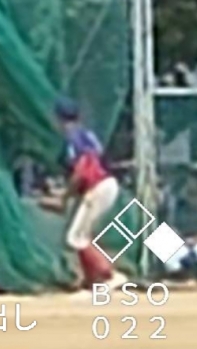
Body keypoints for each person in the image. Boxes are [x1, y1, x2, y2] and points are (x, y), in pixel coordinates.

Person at [39, 98, 127, 290]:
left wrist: (64, 197)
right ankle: (92, 280)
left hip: (98, 187)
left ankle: (111, 275)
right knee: (82, 235)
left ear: (59, 118)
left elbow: (82, 170)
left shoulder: (73, 137)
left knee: (76, 238)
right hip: (106, 184)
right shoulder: (87, 134)